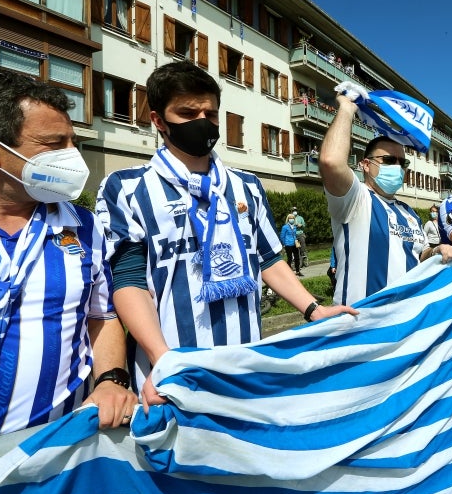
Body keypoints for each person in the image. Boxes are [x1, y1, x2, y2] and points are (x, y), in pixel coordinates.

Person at [97, 62, 354, 406]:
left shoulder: (247, 186)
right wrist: (163, 358)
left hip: (246, 366)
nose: (202, 121)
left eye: (211, 114)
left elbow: (268, 259)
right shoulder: (126, 187)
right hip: (171, 373)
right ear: (158, 121)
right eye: (187, 113)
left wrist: (314, 310)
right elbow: (128, 280)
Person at [0, 68, 136, 444]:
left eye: (72, 142)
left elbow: (101, 315)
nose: (73, 157)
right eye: (54, 144)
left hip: (58, 449)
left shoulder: (84, 227)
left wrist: (111, 380)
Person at [319, 90, 452, 306]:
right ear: (366, 165)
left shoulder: (409, 213)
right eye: (389, 160)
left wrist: (436, 250)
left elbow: (420, 254)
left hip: (404, 316)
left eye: (402, 163)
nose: (397, 167)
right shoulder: (356, 199)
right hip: (363, 318)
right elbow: (331, 161)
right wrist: (347, 108)